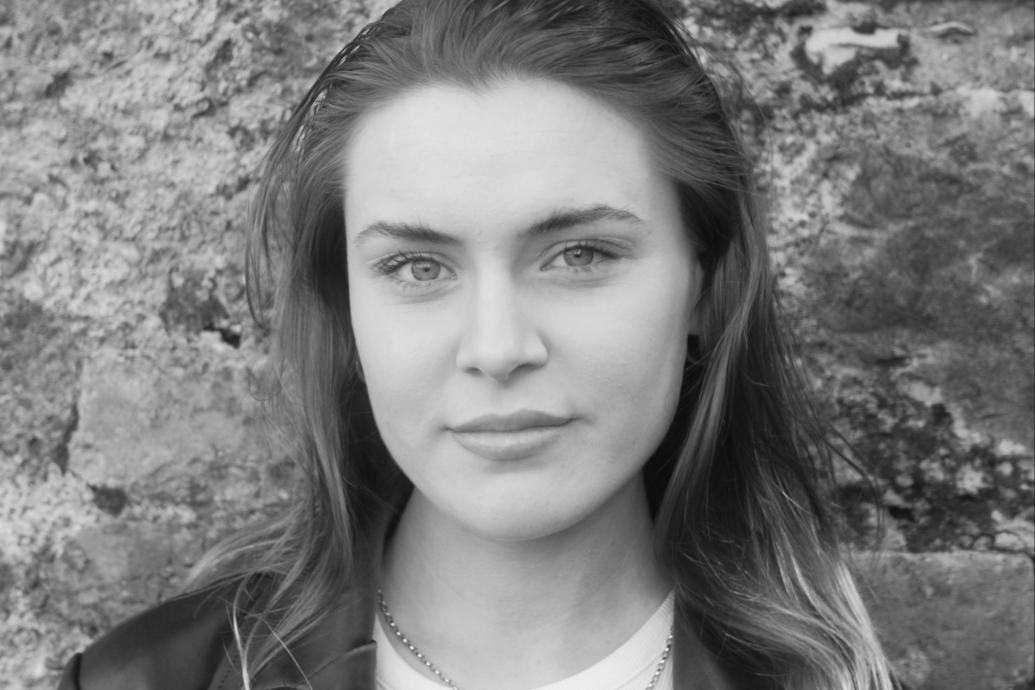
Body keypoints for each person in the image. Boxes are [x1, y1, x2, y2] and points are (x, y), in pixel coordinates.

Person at [58, 1, 899, 688]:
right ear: (346, 308)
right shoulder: (142, 680)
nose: (497, 349)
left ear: (704, 289)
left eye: (580, 255)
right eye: (417, 266)